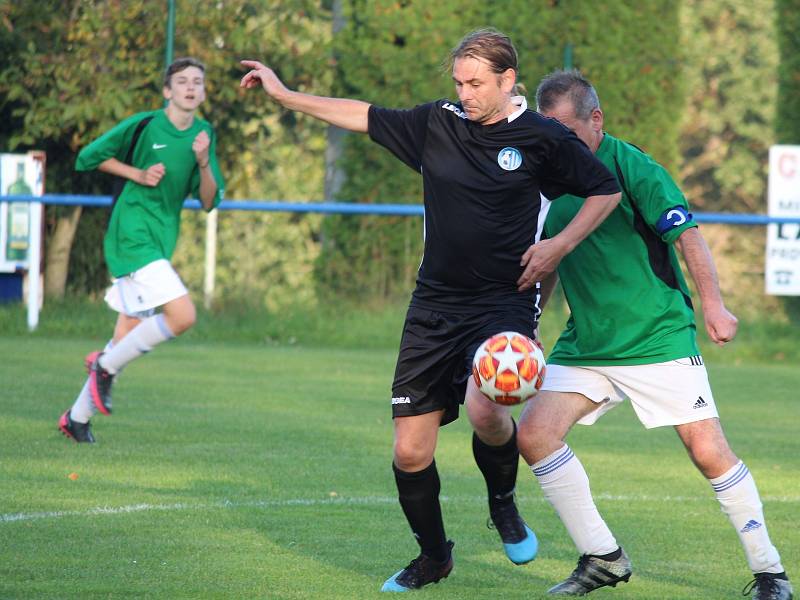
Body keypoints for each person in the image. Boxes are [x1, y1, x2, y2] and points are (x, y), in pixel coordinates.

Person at [241, 30, 622, 592]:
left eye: (476, 83)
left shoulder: (541, 137)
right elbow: (362, 115)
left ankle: (503, 504)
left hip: (504, 301)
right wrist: (285, 95)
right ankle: (434, 555)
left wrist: (558, 246)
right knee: (409, 448)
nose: (465, 93)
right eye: (459, 83)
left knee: (486, 411)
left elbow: (604, 189)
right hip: (434, 304)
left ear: (507, 80)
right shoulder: (437, 122)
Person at [516, 69, 793, 600]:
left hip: (656, 337)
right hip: (587, 342)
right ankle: (603, 557)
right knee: (533, 434)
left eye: (566, 133)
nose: (556, 145)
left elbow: (687, 236)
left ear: (596, 120)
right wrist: (530, 324)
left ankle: (770, 573)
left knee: (709, 453)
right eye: (547, 134)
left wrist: (713, 305)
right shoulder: (545, 178)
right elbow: (550, 255)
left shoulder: (633, 166)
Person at [58, 57, 225, 444]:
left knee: (128, 330)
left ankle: (76, 418)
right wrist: (138, 173)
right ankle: (103, 366)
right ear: (167, 91)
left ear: (202, 92)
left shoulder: (204, 134)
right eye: (181, 81)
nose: (189, 87)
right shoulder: (146, 124)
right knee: (182, 314)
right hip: (131, 232)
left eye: (197, 82)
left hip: (161, 239)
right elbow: (88, 157)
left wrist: (203, 163)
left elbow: (208, 201)